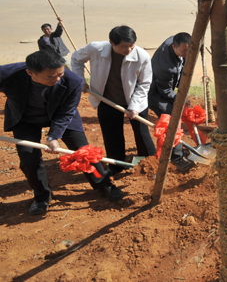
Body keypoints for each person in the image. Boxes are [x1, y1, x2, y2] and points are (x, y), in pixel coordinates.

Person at [0, 51, 123, 215]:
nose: (57, 79)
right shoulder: (7, 74)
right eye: (51, 76)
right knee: (29, 159)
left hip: (61, 115)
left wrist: (53, 136)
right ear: (30, 73)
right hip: (25, 119)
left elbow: (66, 112)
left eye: (60, 74)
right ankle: (42, 196)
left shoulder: (73, 81)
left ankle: (103, 184)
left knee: (83, 152)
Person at [71, 25, 156, 177]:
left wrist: (135, 106)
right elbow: (76, 59)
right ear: (112, 43)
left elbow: (144, 83)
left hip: (136, 99)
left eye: (131, 46)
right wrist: (80, 80)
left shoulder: (142, 56)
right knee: (112, 134)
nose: (129, 50)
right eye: (124, 47)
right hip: (106, 99)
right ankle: (116, 165)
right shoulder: (95, 49)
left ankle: (150, 163)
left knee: (142, 133)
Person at [148, 33, 194, 172]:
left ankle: (176, 150)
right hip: (155, 93)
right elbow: (166, 91)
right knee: (171, 119)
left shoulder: (177, 41)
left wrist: (182, 93)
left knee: (176, 115)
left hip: (165, 86)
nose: (186, 54)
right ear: (174, 47)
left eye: (189, 50)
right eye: (183, 51)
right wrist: (180, 100)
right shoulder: (166, 67)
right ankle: (177, 158)